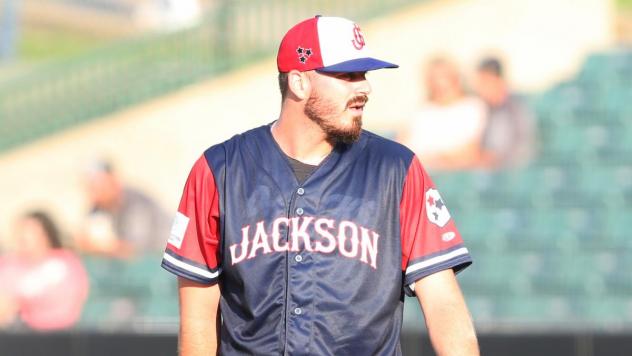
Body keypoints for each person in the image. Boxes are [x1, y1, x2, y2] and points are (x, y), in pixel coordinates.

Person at [162, 16, 479, 355]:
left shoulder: (396, 170)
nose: (364, 88)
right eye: (347, 75)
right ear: (299, 83)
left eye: (365, 75)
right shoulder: (219, 170)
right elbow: (197, 320)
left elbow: (444, 304)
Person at [0, 211, 88, 331]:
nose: (22, 237)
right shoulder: (9, 264)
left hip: (58, 334)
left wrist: (22, 302)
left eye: (29, 232)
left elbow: (69, 304)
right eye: (20, 232)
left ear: (45, 235)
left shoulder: (65, 263)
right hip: (16, 333)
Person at [399, 56, 488, 171]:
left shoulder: (473, 107)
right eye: (434, 78)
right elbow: (401, 146)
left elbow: (471, 153)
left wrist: (436, 159)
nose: (440, 83)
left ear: (456, 79)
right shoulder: (422, 111)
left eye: (444, 77)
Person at [76, 159, 170, 258]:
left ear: (113, 181)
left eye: (97, 186)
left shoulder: (136, 204)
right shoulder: (97, 209)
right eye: (90, 187)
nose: (93, 194)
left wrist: (98, 247)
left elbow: (134, 250)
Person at [474, 57, 536, 169]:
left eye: (485, 82)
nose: (480, 88)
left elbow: (523, 148)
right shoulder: (483, 109)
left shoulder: (516, 108)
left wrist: (496, 159)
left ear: (498, 80)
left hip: (510, 173)